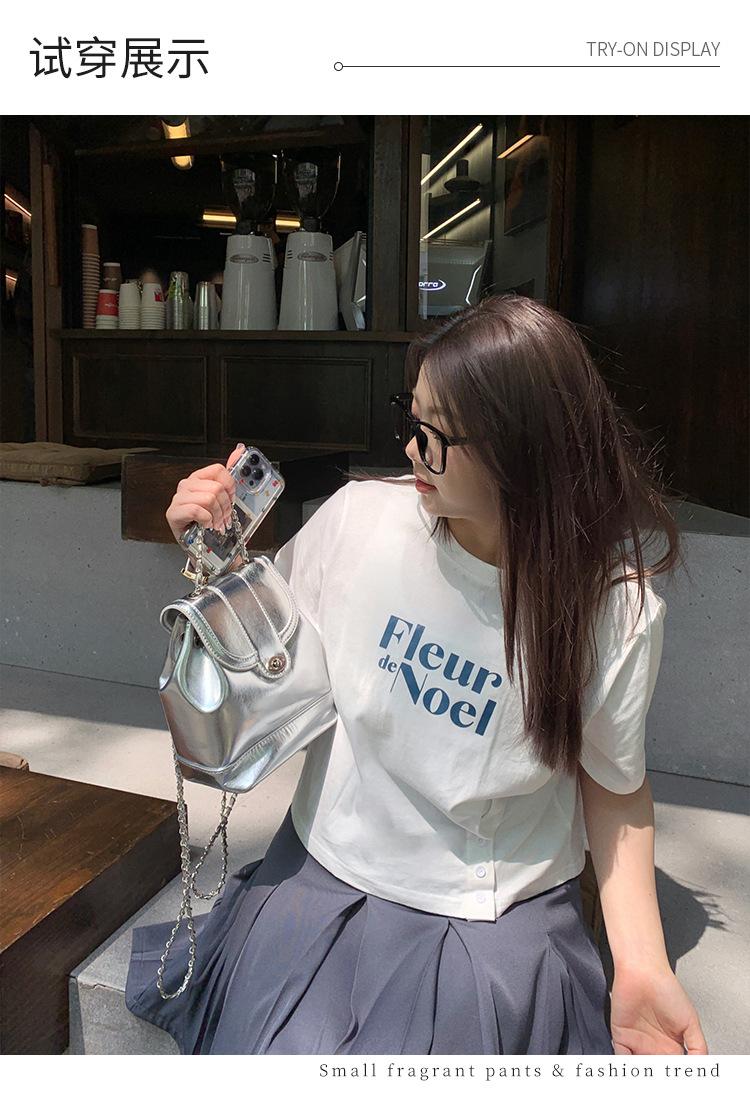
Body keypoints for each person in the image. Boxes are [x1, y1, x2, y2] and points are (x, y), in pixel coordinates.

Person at [125, 294, 708, 1056]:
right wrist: (213, 560)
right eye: (411, 417)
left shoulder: (611, 608)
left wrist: (641, 964)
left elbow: (615, 783)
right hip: (327, 867)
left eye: (434, 436)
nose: (409, 450)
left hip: (492, 914)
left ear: (520, 449)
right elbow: (275, 662)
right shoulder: (361, 520)